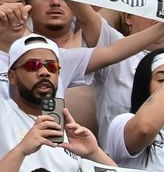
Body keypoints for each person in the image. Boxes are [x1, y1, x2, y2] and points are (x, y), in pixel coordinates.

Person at [0, 34, 119, 171]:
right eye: (33, 65)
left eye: (52, 66)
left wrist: (94, 153)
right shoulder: (3, 113)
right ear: (12, 76)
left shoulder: (69, 132)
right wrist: (21, 150)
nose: (44, 72)